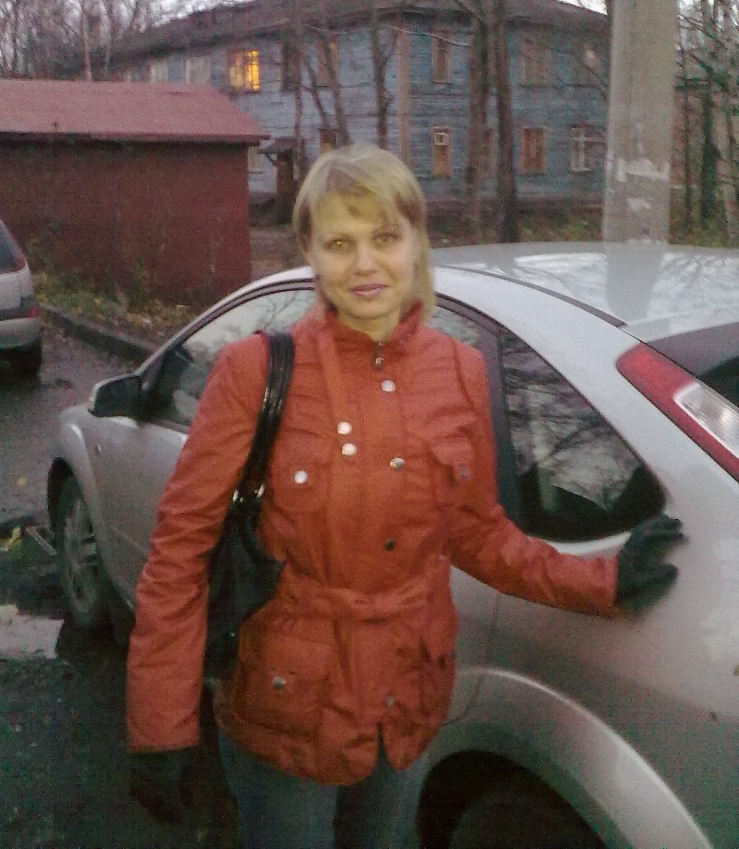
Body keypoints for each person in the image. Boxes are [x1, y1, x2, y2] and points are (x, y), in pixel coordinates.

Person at [126, 144, 683, 849]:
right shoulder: (254, 372)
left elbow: (478, 534)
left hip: (407, 699)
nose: (365, 264)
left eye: (385, 237)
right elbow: (180, 554)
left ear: (417, 241)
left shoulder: (461, 371)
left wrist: (603, 580)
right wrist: (160, 726)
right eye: (340, 243)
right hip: (289, 710)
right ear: (310, 252)